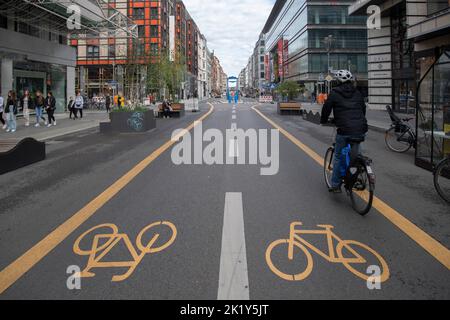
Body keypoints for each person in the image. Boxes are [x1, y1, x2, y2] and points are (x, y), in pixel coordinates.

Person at [320, 70, 368, 193]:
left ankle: (335, 185)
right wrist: (360, 122)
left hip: (344, 129)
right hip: (360, 128)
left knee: (337, 155)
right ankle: (359, 169)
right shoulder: (357, 93)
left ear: (337, 81)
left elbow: (326, 109)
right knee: (356, 153)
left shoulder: (335, 93)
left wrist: (323, 120)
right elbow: (363, 109)